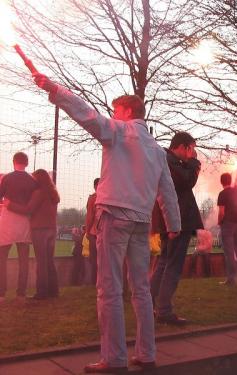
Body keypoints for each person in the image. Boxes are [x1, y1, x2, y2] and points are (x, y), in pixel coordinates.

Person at [33, 73, 181, 373]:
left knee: (109, 289)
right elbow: (166, 190)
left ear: (127, 111)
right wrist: (172, 223)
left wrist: (55, 89)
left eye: (116, 110)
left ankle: (113, 358)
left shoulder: (117, 130)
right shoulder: (156, 149)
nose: (112, 115)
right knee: (140, 288)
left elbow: (85, 114)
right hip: (140, 220)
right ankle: (146, 353)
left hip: (113, 216)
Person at [150, 132, 203, 326]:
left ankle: (151, 304)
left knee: (164, 263)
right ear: (182, 146)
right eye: (191, 148)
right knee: (172, 266)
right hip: (176, 222)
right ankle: (163, 310)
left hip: (171, 221)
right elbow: (187, 182)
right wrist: (195, 164)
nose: (192, 153)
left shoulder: (168, 160)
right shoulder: (169, 161)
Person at [6, 169, 60, 299]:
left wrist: (10, 205)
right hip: (52, 229)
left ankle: (42, 293)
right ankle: (53, 291)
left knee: (41, 262)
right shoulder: (53, 193)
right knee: (49, 261)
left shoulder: (39, 193)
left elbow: (28, 209)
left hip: (40, 229)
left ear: (37, 180)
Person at [0, 152, 38, 303]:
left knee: (2, 258)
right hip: (24, 221)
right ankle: (20, 294)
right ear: (27, 163)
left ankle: (1, 294)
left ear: (13, 161)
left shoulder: (6, 178)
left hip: (7, 220)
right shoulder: (32, 181)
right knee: (24, 260)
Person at [217, 169, 237, 285]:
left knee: (229, 252)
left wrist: (219, 221)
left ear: (221, 182)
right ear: (229, 181)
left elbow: (221, 212)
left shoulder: (222, 194)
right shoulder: (236, 190)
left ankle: (231, 279)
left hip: (228, 225)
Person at [85, 178, 100, 285]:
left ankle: (94, 281)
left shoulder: (93, 198)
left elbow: (90, 216)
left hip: (94, 232)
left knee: (94, 259)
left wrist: (87, 230)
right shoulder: (109, 197)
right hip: (106, 233)